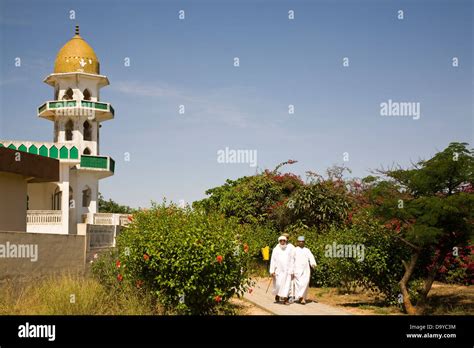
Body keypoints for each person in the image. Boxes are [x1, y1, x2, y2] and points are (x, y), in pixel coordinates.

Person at [292, 236, 316, 304]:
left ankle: (302, 297)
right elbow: (291, 260)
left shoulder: (307, 250)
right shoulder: (295, 250)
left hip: (306, 269)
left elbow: (311, 257)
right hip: (297, 268)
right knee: (298, 283)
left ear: (304, 242)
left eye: (302, 241)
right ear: (297, 242)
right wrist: (291, 269)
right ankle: (301, 297)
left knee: (305, 282)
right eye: (300, 241)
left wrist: (313, 264)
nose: (301, 243)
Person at [269, 235, 293, 305]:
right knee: (278, 284)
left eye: (284, 240)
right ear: (279, 241)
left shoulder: (289, 249)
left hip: (287, 271)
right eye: (281, 240)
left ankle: (285, 299)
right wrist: (272, 271)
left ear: (286, 241)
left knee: (286, 285)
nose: (282, 242)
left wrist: (292, 270)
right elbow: (273, 260)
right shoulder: (275, 249)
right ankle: (277, 294)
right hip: (278, 271)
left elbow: (291, 260)